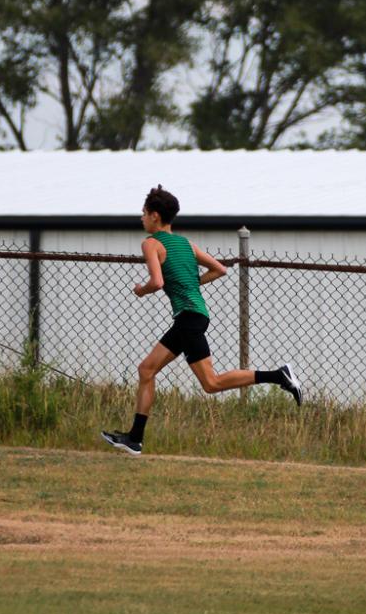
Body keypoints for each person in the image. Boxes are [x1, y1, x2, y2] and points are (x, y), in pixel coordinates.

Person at [102, 186, 301, 456]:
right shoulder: (186, 244)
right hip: (195, 316)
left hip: (188, 318)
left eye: (144, 213)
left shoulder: (151, 244)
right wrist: (192, 282)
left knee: (210, 383)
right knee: (151, 371)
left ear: (155, 216)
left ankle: (279, 375)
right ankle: (134, 439)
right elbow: (219, 269)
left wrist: (141, 290)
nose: (141, 218)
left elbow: (157, 282)